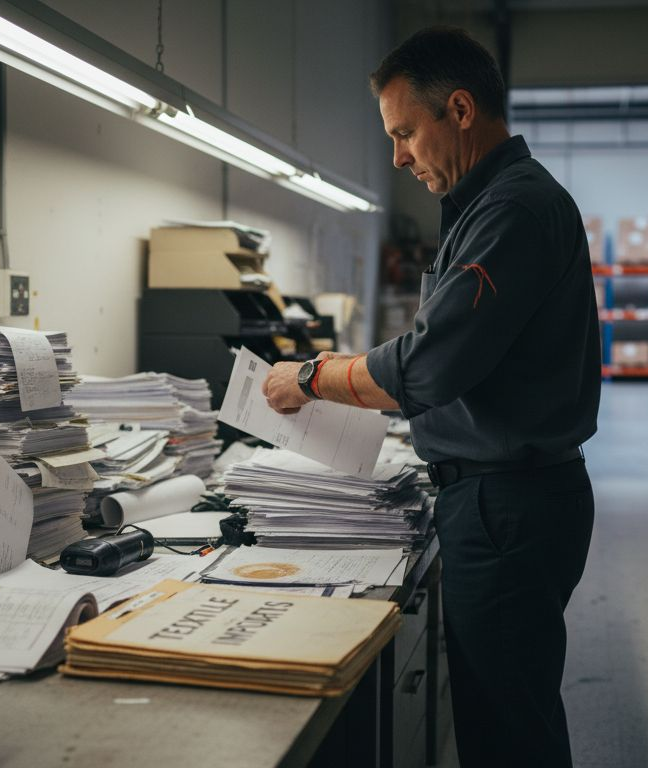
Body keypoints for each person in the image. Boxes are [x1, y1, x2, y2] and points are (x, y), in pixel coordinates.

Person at [262, 26, 600, 768]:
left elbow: (426, 367)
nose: (398, 156)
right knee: (507, 712)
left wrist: (314, 375)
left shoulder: (510, 211)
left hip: (506, 508)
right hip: (503, 498)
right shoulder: (485, 206)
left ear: (460, 109)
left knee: (509, 734)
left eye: (406, 133)